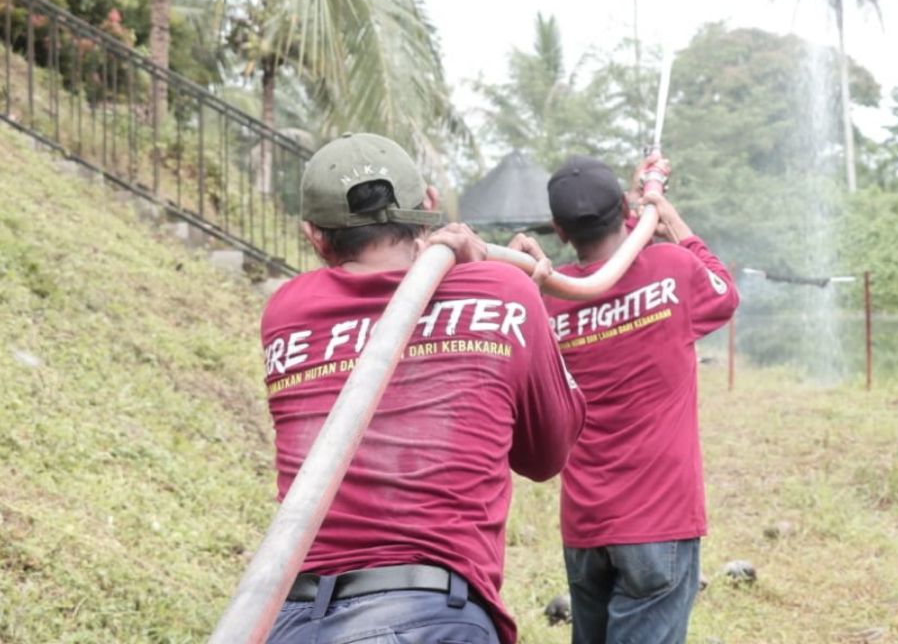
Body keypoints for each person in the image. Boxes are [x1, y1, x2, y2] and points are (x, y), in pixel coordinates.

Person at [260, 132, 586, 644]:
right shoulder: (501, 288)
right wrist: (507, 286)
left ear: (313, 236)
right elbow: (546, 455)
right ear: (429, 206)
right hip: (431, 616)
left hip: (293, 619)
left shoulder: (286, 310)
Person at [510, 154, 739, 644]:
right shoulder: (673, 268)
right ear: (623, 207)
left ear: (560, 230)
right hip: (659, 523)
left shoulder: (546, 299)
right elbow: (724, 293)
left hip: (586, 527)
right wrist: (661, 207)